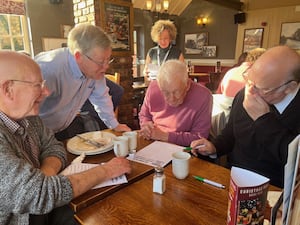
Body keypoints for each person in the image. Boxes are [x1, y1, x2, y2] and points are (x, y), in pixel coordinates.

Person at [0, 50, 131, 225]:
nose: (46, 91)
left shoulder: (30, 119)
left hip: (43, 209)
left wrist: (44, 176)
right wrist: (107, 170)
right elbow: (37, 194)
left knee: (106, 211)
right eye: (37, 85)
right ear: (8, 90)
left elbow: (54, 147)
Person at [191, 45, 300, 188]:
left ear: (289, 87)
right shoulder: (245, 93)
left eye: (263, 89)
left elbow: (295, 159)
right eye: (249, 80)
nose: (251, 91)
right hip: (234, 180)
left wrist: (263, 120)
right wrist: (214, 146)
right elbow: (231, 133)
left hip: (275, 189)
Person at [35, 23, 130, 141]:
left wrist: (114, 125)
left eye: (108, 60)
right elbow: (28, 112)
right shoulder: (48, 69)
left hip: (62, 126)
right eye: (101, 62)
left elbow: (101, 97)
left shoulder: (94, 70)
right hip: (38, 134)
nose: (106, 67)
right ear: (78, 56)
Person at [139, 59, 212, 146]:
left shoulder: (204, 96)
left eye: (176, 92)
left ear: (187, 85)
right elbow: (144, 115)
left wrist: (165, 136)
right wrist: (146, 125)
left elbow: (199, 138)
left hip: (183, 150)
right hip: (153, 142)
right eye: (165, 92)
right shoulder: (153, 87)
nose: (171, 98)